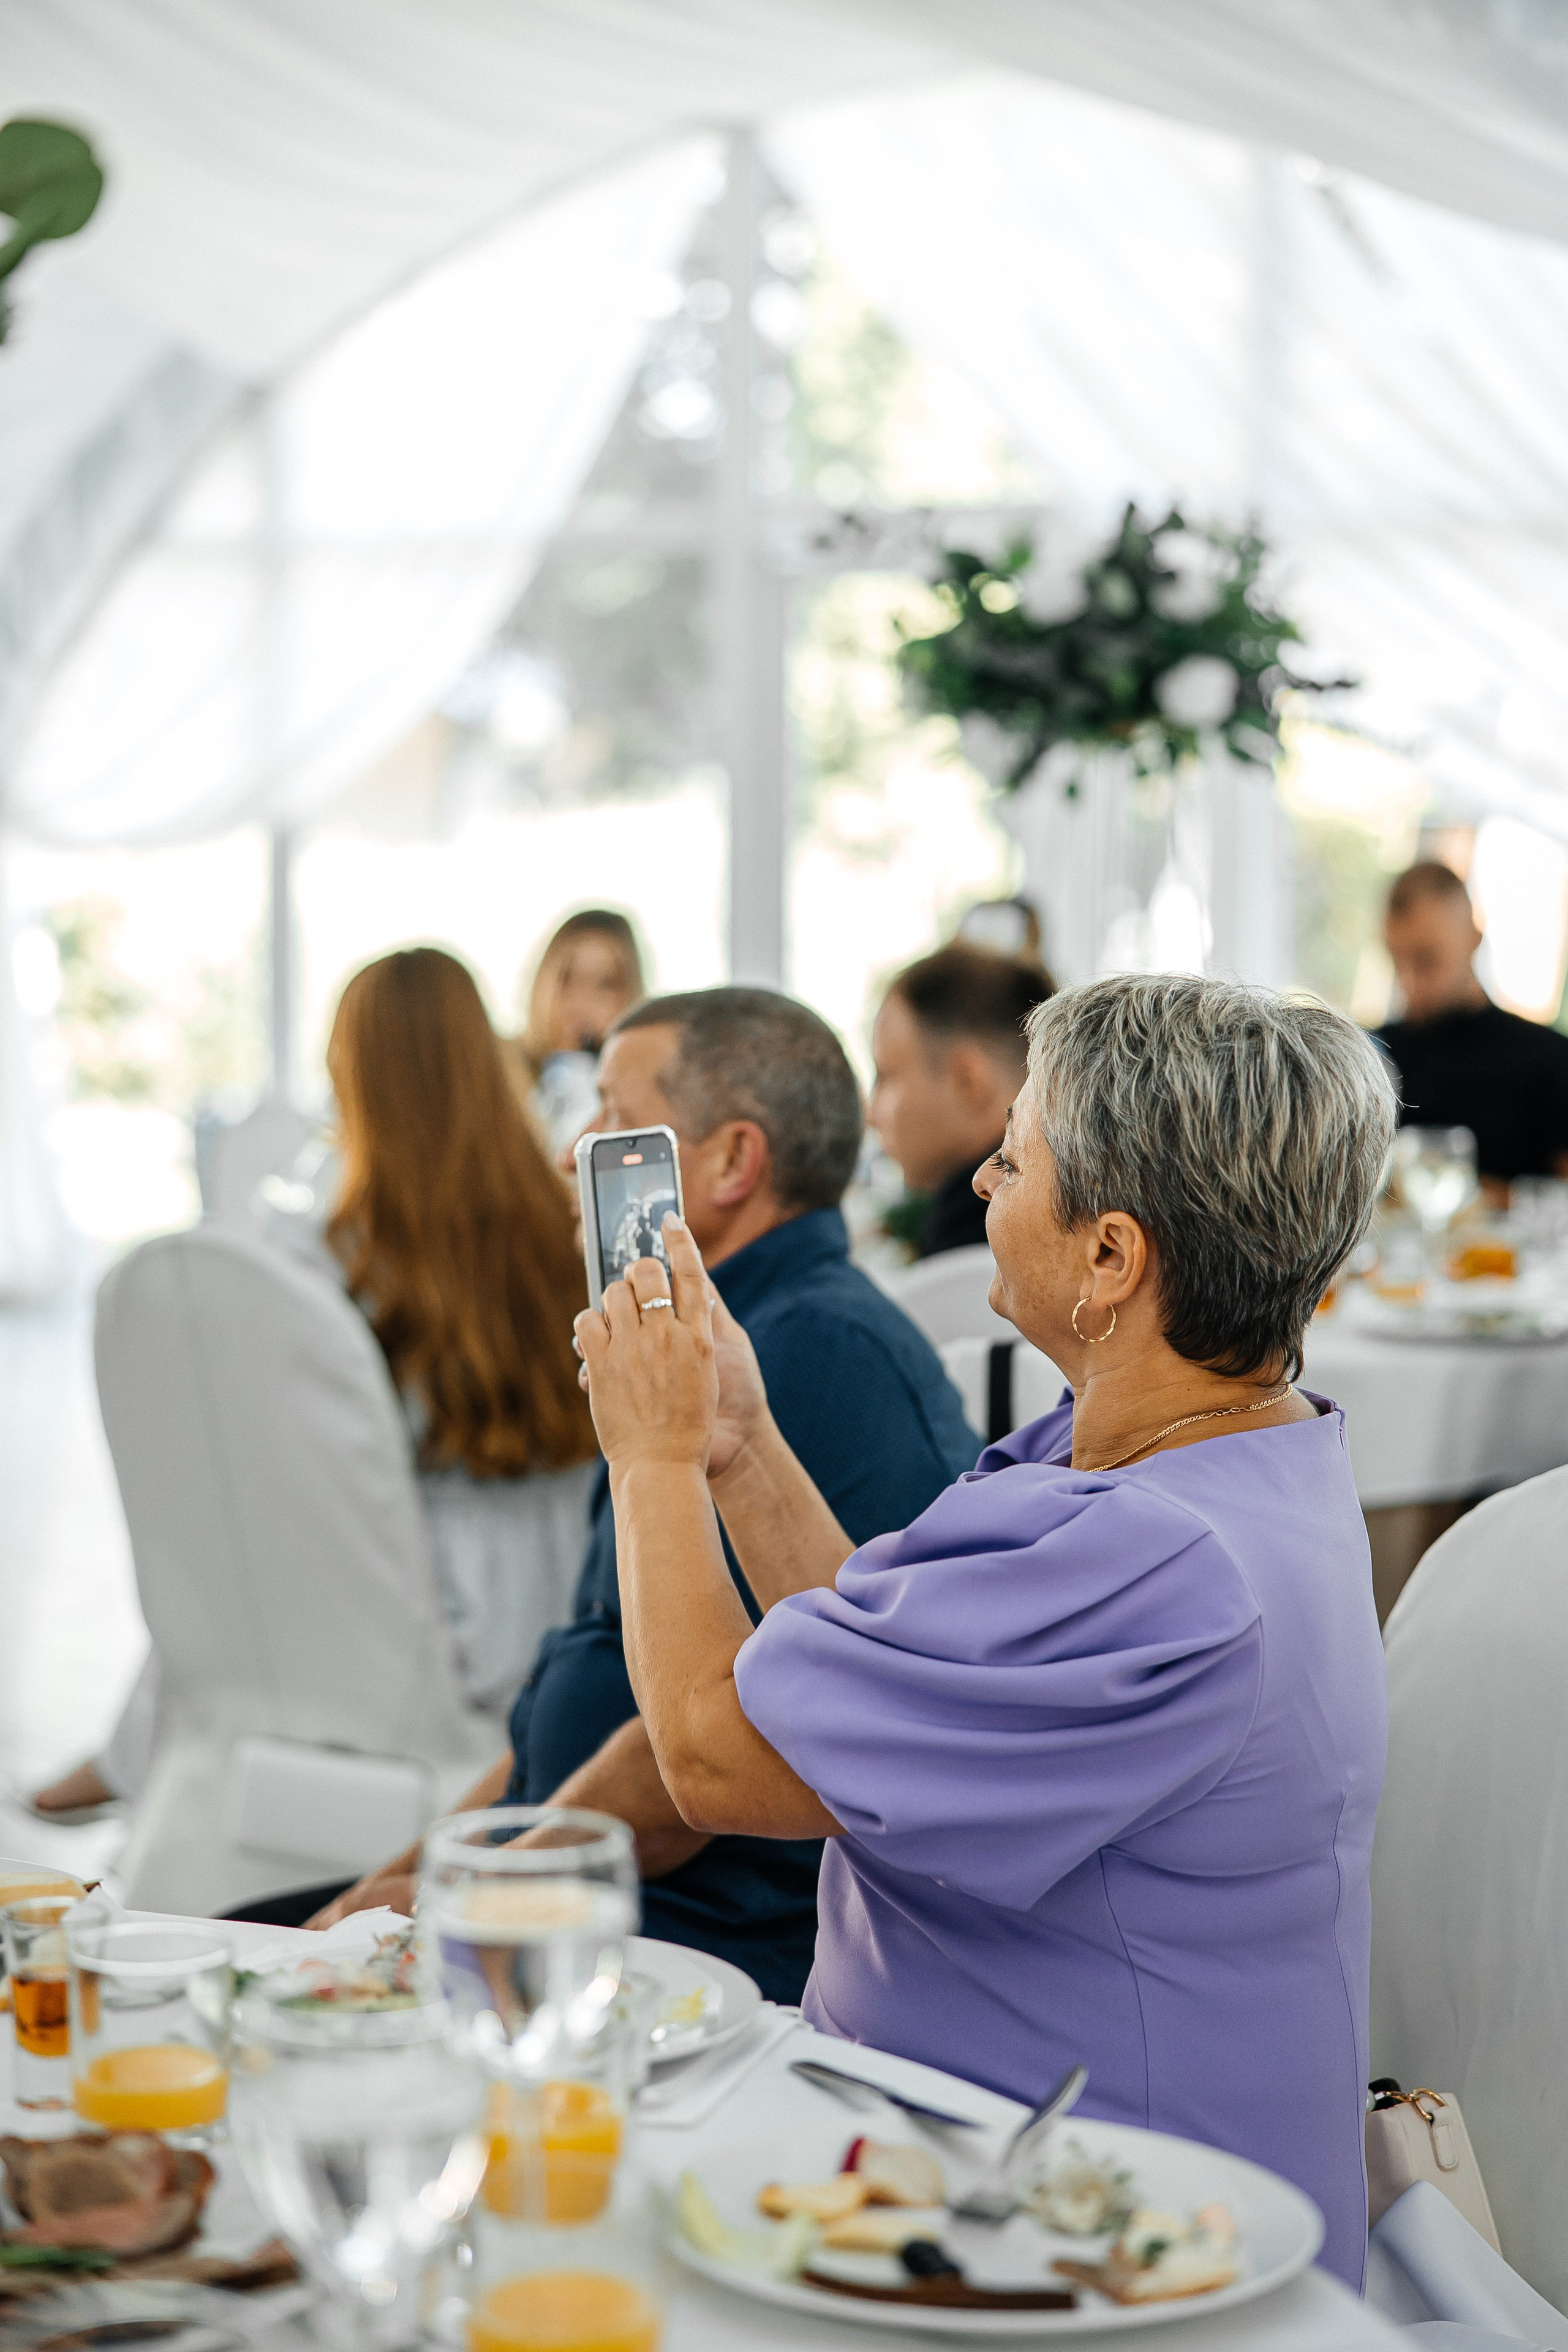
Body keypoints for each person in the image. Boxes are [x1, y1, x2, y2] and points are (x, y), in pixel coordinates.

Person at [573, 973, 1396, 2291]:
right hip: (956, 2161)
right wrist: (734, 1443)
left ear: (1109, 1259)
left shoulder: (1156, 1563)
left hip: (1100, 2239)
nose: (978, 1186)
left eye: (1012, 1161)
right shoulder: (1213, 1459)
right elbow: (890, 1670)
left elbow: (713, 1756)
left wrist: (649, 1455)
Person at [312, 987, 980, 2001]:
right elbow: (579, 1680)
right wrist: (415, 1870)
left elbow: (732, 1738)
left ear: (729, 1162)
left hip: (678, 1934)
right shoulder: (697, 1336)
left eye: (617, 1121)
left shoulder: (812, 1352)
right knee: (276, 1934)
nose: (577, 1147)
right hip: (569, 1877)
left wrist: (469, 1894)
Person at [33, 947, 599, 1822]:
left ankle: (130, 1756)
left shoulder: (338, 1249)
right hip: (564, 1587)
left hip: (435, 1612)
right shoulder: (563, 1220)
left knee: (243, 1538)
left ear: (353, 1073)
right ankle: (127, 1755)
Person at [1376, 859, 1568, 1188]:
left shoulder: (1548, 1058)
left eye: (1426, 960)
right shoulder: (1377, 1057)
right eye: (1398, 961)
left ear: (1473, 939)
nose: (1409, 982)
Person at [870, 943, 1052, 1257]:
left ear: (968, 1082)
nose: (871, 1114)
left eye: (886, 1076)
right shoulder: (1072, 1203)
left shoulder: (980, 1240)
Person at [516, 908, 645, 1152]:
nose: (581, 1003)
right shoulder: (508, 1079)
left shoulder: (639, 1101)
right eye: (567, 979)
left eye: (605, 985)